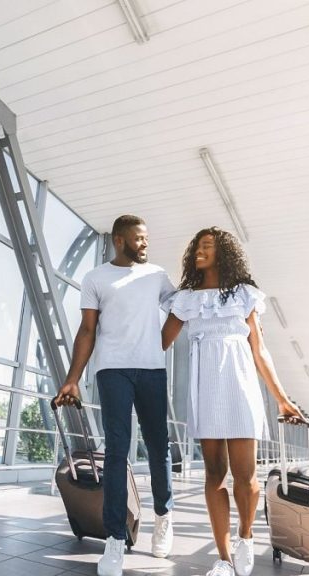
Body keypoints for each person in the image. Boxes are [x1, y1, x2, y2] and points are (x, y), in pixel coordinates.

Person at [161, 227, 304, 576]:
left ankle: (246, 535)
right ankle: (223, 559)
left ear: (223, 253)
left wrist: (283, 400)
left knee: (246, 477)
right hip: (205, 387)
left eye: (206, 246)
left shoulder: (244, 295)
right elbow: (158, 343)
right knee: (213, 473)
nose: (198, 250)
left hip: (239, 386)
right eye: (196, 245)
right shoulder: (186, 299)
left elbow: (260, 351)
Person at [55, 214, 177, 576]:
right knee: (117, 450)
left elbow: (181, 309)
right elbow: (87, 330)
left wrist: (160, 345)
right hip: (112, 370)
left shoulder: (156, 275)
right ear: (120, 240)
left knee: (158, 445)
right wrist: (72, 378)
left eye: (146, 238)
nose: (145, 243)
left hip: (152, 371)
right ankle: (114, 539)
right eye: (139, 238)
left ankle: (163, 517)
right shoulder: (95, 278)